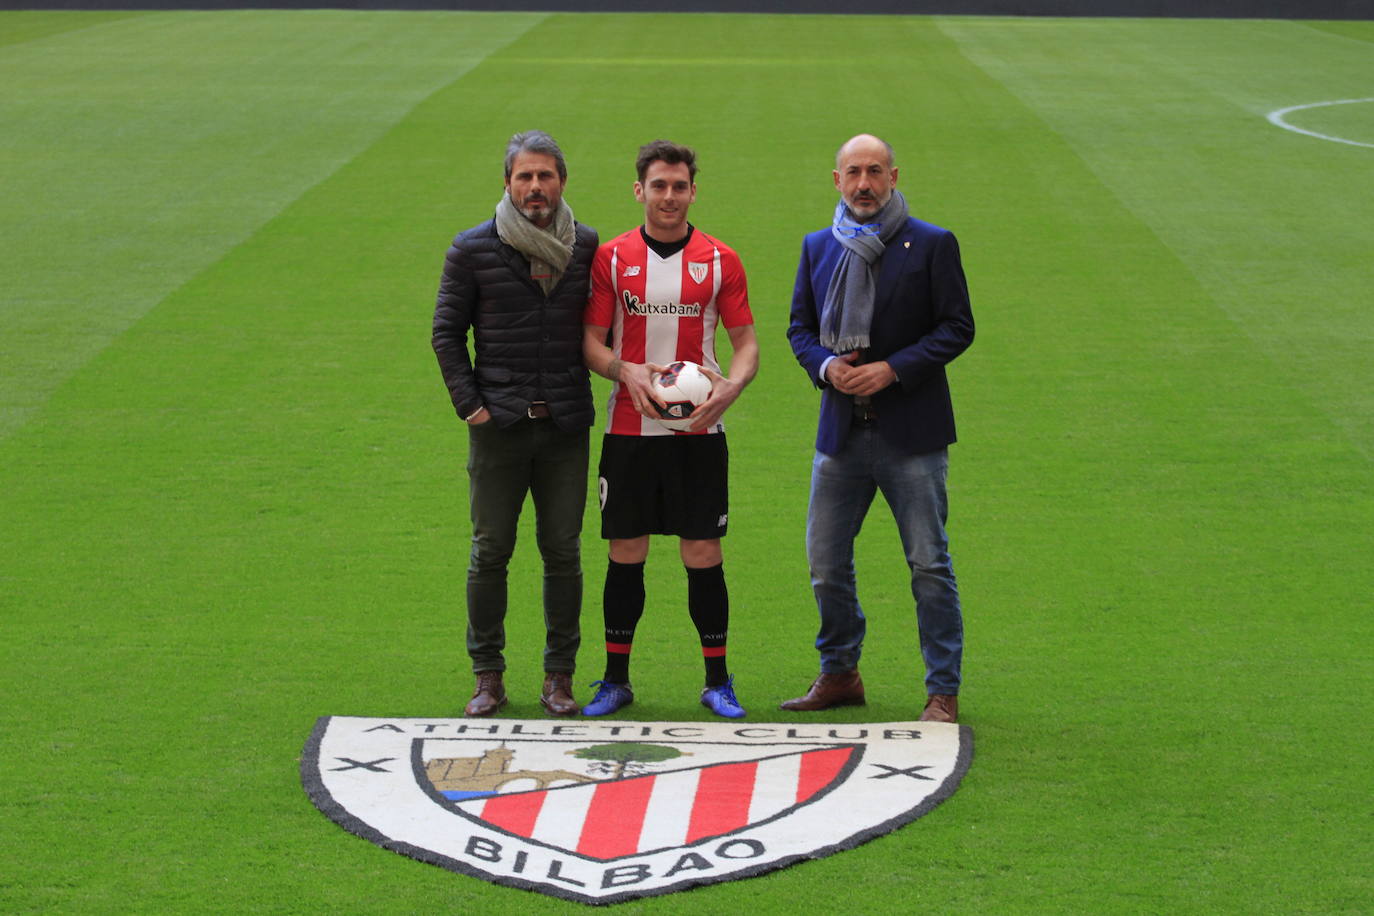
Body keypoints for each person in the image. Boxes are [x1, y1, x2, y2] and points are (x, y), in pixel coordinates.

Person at [782, 134, 974, 723]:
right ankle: (840, 673)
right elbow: (799, 329)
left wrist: (893, 369)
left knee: (927, 563)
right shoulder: (819, 247)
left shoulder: (932, 244)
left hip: (911, 436)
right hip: (842, 433)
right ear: (835, 180)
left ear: (893, 176)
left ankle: (942, 689)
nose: (863, 184)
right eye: (852, 173)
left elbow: (956, 327)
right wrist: (825, 365)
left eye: (874, 172)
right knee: (825, 561)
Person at [580, 140, 759, 719]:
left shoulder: (719, 260)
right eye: (658, 185)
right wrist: (621, 367)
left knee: (703, 551)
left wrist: (730, 387)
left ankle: (717, 680)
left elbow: (747, 343)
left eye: (679, 186)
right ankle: (614, 680)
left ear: (692, 191)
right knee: (625, 550)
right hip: (628, 432)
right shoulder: (611, 258)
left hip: (699, 435)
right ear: (640, 190)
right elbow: (589, 341)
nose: (669, 196)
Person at [432, 130, 598, 718]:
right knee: (490, 551)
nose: (535, 187)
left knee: (563, 551)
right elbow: (446, 335)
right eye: (524, 177)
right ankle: (488, 677)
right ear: (507, 182)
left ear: (561, 182)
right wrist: (471, 406)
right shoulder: (472, 249)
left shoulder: (587, 247)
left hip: (564, 428)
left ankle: (559, 677)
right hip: (497, 428)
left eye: (545, 176)